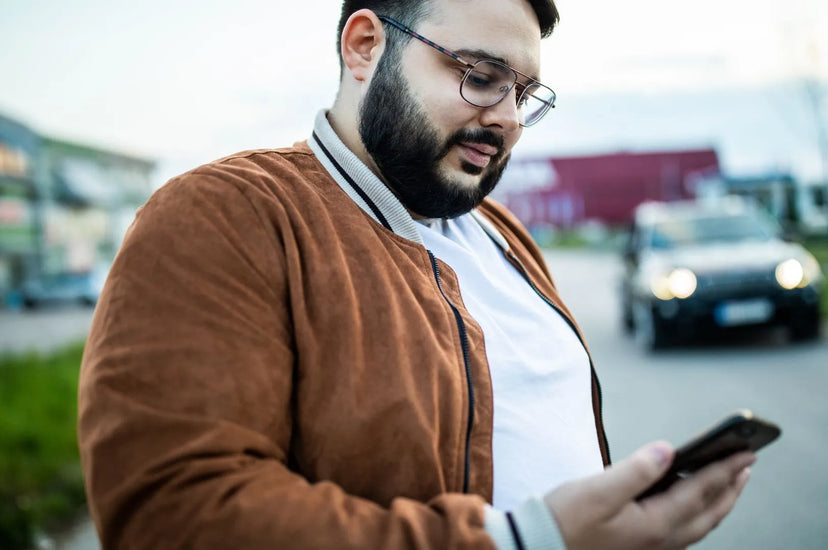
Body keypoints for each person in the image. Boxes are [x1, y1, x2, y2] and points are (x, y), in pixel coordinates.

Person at [77, 1, 756, 548]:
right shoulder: (228, 216)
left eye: (524, 94)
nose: (509, 121)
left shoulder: (505, 234)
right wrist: (523, 539)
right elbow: (170, 515)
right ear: (366, 46)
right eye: (481, 76)